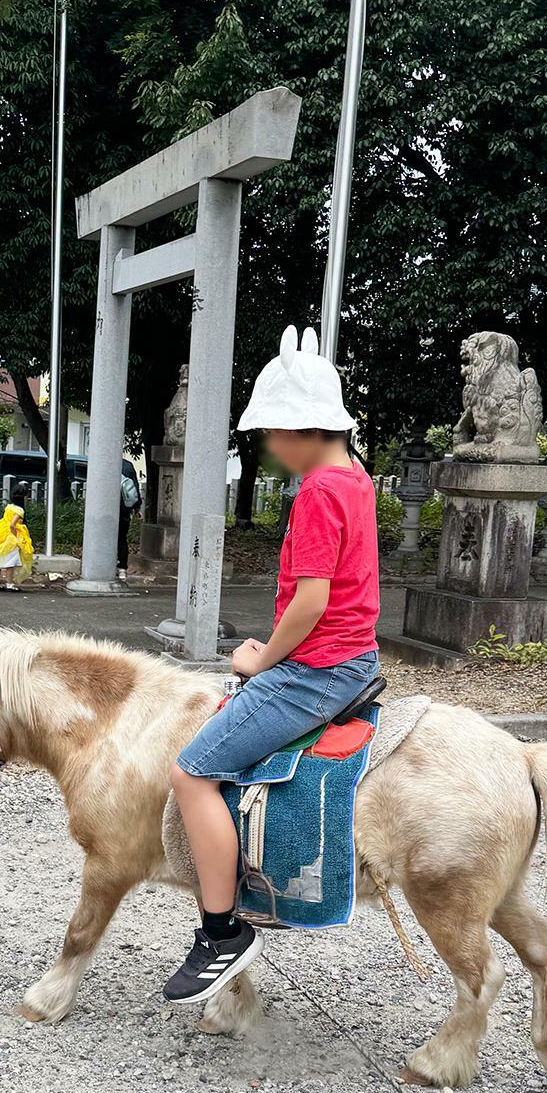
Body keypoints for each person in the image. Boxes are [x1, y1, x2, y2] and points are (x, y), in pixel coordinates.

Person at [163, 326, 382, 1005]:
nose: (267, 446)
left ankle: (220, 930)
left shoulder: (318, 490)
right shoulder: (356, 478)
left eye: (269, 433)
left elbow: (311, 601)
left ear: (297, 427)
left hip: (317, 667)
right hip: (356, 655)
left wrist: (262, 658)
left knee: (191, 771)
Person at [0, 502, 33, 591]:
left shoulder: (9, 508)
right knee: (11, 561)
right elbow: (12, 524)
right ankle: (9, 584)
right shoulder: (19, 510)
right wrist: (14, 536)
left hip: (0, 532)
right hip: (10, 537)